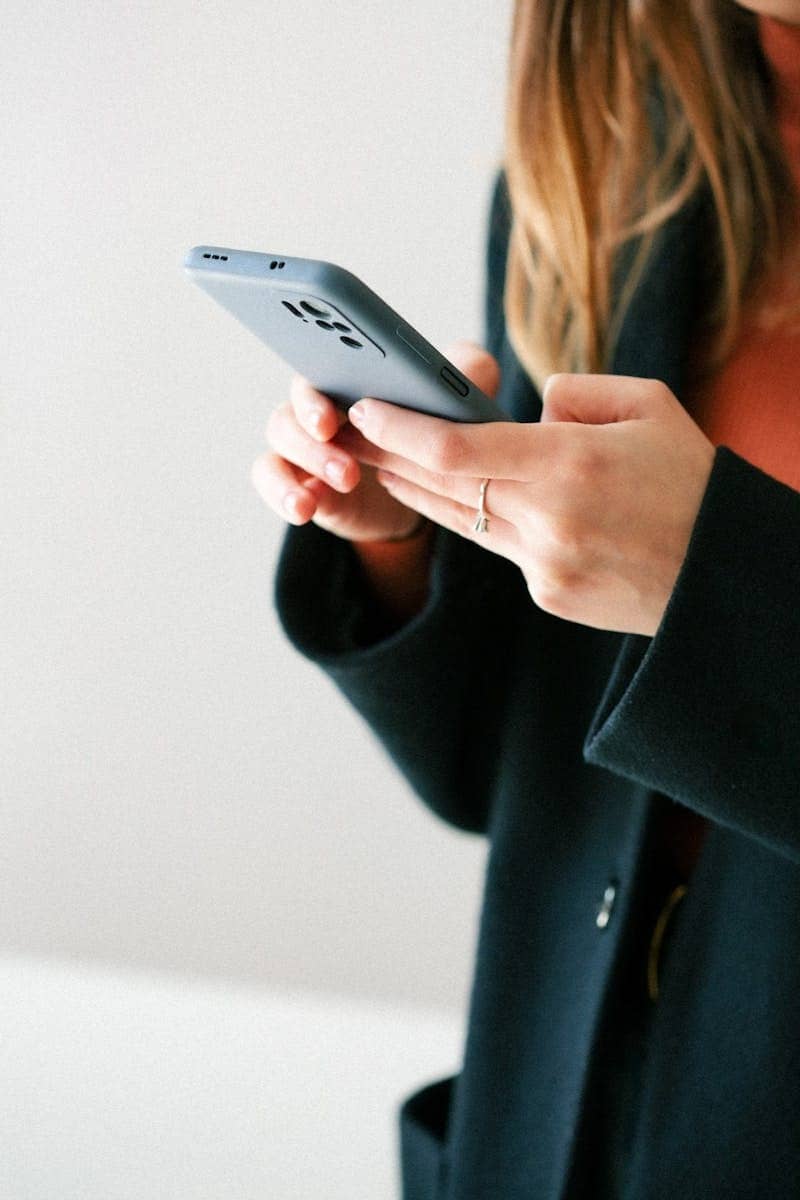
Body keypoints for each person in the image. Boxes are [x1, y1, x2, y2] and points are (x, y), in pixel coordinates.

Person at [251, 1, 800, 1195]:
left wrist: (708, 580)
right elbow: (505, 782)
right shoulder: (600, 163)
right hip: (550, 1130)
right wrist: (399, 541)